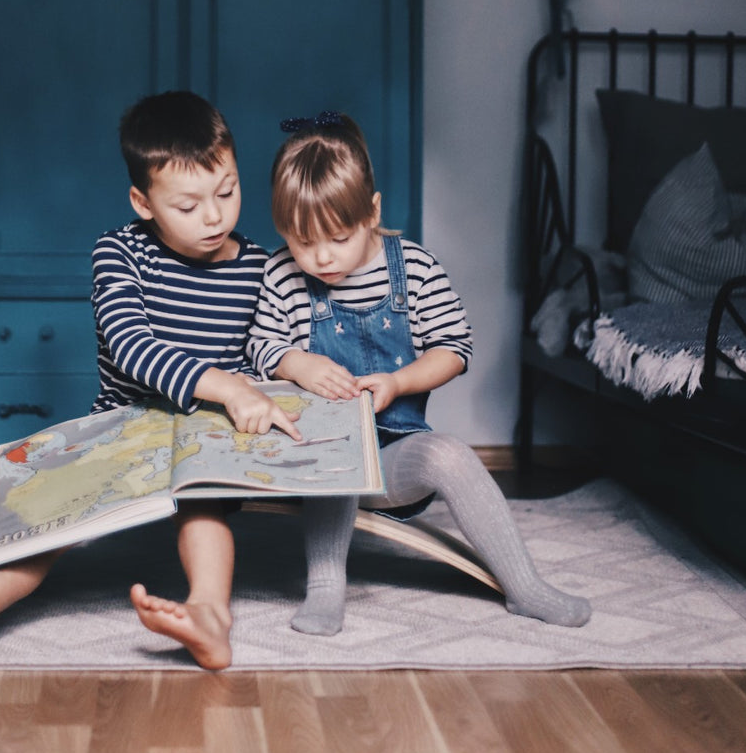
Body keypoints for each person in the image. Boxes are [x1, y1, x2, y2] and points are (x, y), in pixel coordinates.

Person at [0, 91, 300, 677]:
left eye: (226, 192)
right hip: (124, 422)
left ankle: (209, 617)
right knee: (53, 517)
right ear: (142, 202)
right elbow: (131, 346)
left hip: (207, 435)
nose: (214, 216)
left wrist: (293, 370)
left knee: (205, 508)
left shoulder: (260, 266)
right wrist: (224, 385)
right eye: (188, 204)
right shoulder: (118, 252)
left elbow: (269, 349)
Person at [247, 111, 591, 636]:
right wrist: (300, 363)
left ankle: (525, 586)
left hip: (391, 462)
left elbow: (455, 348)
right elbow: (260, 346)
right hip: (315, 463)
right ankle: (324, 587)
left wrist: (399, 382)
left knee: (449, 455)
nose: (320, 258)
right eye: (301, 240)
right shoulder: (281, 273)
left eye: (338, 238)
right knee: (337, 441)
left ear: (372, 212)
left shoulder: (414, 267)